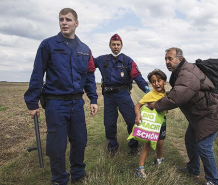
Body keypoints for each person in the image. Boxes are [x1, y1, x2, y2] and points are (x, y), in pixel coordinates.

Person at [24, 8, 98, 185]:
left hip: (76, 103)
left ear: (76, 23)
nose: (64, 22)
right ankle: (59, 179)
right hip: (55, 103)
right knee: (57, 146)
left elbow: (89, 76)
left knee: (80, 141)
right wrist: (32, 102)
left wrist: (93, 99)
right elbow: (37, 74)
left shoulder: (85, 49)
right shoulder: (47, 45)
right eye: (61, 19)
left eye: (68, 19)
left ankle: (78, 175)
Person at [150, 47, 218, 185]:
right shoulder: (181, 72)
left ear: (180, 59)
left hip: (210, 114)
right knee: (190, 139)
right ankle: (193, 168)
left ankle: (213, 180)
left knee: (204, 146)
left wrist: (156, 105)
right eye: (165, 59)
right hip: (200, 115)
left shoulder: (187, 73)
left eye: (170, 58)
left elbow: (178, 96)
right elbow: (178, 91)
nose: (167, 62)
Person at [94, 34, 150, 156]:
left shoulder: (128, 61)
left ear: (121, 46)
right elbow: (87, 64)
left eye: (118, 44)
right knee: (109, 123)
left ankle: (133, 146)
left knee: (132, 120)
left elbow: (137, 76)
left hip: (123, 94)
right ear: (109, 45)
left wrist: (146, 89)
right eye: (113, 44)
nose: (115, 47)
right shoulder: (102, 59)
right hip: (108, 96)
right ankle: (112, 147)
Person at [134, 69, 167, 178]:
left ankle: (159, 159)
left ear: (165, 82)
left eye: (159, 80)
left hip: (161, 123)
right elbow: (138, 105)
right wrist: (138, 115)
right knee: (147, 144)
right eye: (153, 81)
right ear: (151, 84)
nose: (156, 83)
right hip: (151, 123)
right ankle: (140, 168)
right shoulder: (150, 95)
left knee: (160, 143)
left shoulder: (167, 95)